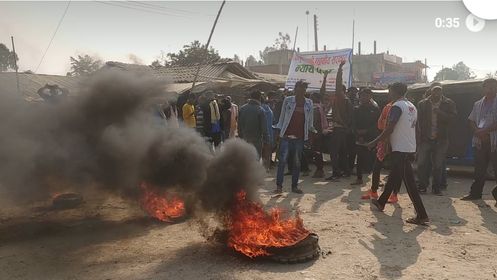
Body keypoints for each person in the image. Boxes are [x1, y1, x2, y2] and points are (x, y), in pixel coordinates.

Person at [367, 82, 429, 225]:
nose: (389, 94)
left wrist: (374, 142)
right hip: (408, 147)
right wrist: (416, 146)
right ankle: (382, 202)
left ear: (394, 91)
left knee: (410, 183)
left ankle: (422, 214)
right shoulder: (412, 106)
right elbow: (416, 129)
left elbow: (389, 128)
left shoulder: (396, 107)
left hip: (400, 148)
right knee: (397, 175)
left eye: (390, 91)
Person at [274, 80, 314, 194]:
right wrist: (278, 133)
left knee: (297, 162)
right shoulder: (287, 101)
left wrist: (310, 136)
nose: (301, 91)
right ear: (295, 89)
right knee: (282, 162)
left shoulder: (309, 103)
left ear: (305, 90)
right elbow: (282, 118)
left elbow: (310, 122)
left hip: (300, 137)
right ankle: (279, 186)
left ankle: (294, 186)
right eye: (299, 88)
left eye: (303, 89)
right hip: (286, 136)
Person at [416, 84, 457, 196]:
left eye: (439, 91)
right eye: (435, 91)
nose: (437, 93)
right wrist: (418, 138)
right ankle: (422, 186)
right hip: (426, 138)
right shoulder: (423, 104)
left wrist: (440, 113)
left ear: (442, 92)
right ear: (431, 91)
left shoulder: (448, 103)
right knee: (421, 164)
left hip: (441, 139)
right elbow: (418, 121)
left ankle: (436, 188)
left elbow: (453, 119)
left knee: (438, 165)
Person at [462, 78, 497, 201]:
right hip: (480, 142)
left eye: (493, 86)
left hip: (494, 142)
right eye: (488, 87)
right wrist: (477, 131)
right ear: (484, 88)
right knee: (479, 170)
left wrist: (484, 131)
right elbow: (471, 120)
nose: (491, 89)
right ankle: (475, 194)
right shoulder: (478, 104)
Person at [361, 98, 398, 202]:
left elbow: (381, 124)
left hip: (386, 139)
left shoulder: (390, 107)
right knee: (397, 169)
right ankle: (394, 194)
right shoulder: (408, 106)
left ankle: (374, 191)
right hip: (399, 142)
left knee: (377, 166)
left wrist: (375, 141)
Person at [326, 61, 354, 181]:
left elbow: (338, 83)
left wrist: (339, 69)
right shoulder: (347, 100)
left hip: (339, 128)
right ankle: (346, 171)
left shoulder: (341, 98)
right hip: (343, 129)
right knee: (343, 151)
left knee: (333, 152)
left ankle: (336, 172)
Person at [351, 89, 380, 185]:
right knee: (360, 158)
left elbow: (377, 124)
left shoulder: (375, 109)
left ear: (370, 96)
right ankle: (359, 178)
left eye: (365, 96)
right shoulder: (357, 109)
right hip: (360, 137)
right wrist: (358, 134)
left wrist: (367, 131)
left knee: (374, 158)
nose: (363, 98)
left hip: (372, 137)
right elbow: (353, 123)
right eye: (362, 96)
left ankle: (376, 179)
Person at [238, 91, 268, 159]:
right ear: (260, 98)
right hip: (256, 141)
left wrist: (240, 137)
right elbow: (264, 129)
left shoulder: (242, 108)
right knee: (255, 161)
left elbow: (239, 126)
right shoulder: (261, 110)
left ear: (251, 97)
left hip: (244, 139)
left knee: (244, 160)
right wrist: (267, 141)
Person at [261, 94, 274, 171]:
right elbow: (273, 120)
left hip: (261, 134)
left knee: (260, 153)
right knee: (267, 153)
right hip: (270, 134)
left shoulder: (259, 109)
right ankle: (267, 168)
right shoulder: (270, 110)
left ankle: (260, 169)